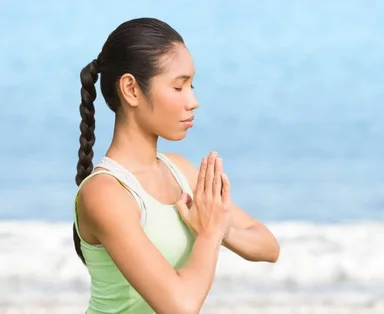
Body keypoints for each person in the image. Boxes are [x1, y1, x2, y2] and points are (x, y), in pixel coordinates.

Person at [72, 17, 280, 314]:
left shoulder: (179, 169)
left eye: (192, 85)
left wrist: (220, 227)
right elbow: (180, 306)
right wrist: (208, 234)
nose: (193, 101)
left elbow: (268, 246)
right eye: (178, 87)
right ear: (131, 89)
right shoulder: (104, 193)